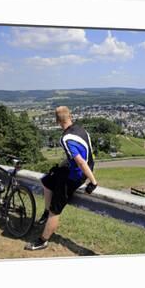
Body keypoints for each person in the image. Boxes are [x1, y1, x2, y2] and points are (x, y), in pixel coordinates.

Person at [25, 106, 98, 251]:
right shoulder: (82, 129)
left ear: (57, 120)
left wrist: (93, 182)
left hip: (76, 175)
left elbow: (80, 162)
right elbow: (87, 154)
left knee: (55, 210)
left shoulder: (65, 138)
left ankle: (42, 240)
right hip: (79, 167)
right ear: (70, 116)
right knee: (47, 181)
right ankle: (46, 212)